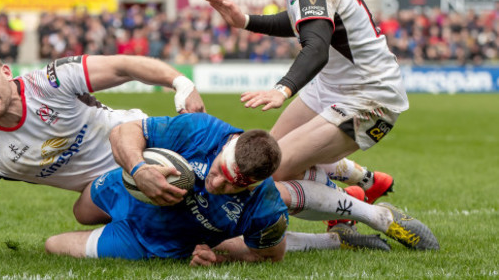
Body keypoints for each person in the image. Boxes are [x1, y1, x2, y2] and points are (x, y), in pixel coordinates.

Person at [203, 0, 408, 206]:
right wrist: (245, 21)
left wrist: (281, 89)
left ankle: (351, 206)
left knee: (272, 172)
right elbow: (302, 21)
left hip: (369, 96)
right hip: (334, 85)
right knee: (264, 154)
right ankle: (365, 181)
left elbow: (316, 47)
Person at [45, 113, 437, 265]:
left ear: (250, 184)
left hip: (152, 242)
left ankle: (339, 238)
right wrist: (138, 168)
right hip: (127, 187)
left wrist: (216, 253)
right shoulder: (202, 130)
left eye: (228, 185)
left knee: (52, 245)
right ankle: (359, 196)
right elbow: (124, 131)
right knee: (81, 210)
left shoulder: (264, 203)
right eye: (216, 171)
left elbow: (267, 255)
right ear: (223, 149)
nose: (215, 182)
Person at [0, 43, 205, 262]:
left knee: (210, 190)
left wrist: (181, 83)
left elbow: (123, 65)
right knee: (83, 212)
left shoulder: (51, 81)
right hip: (107, 188)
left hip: (146, 144)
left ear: (5, 72)